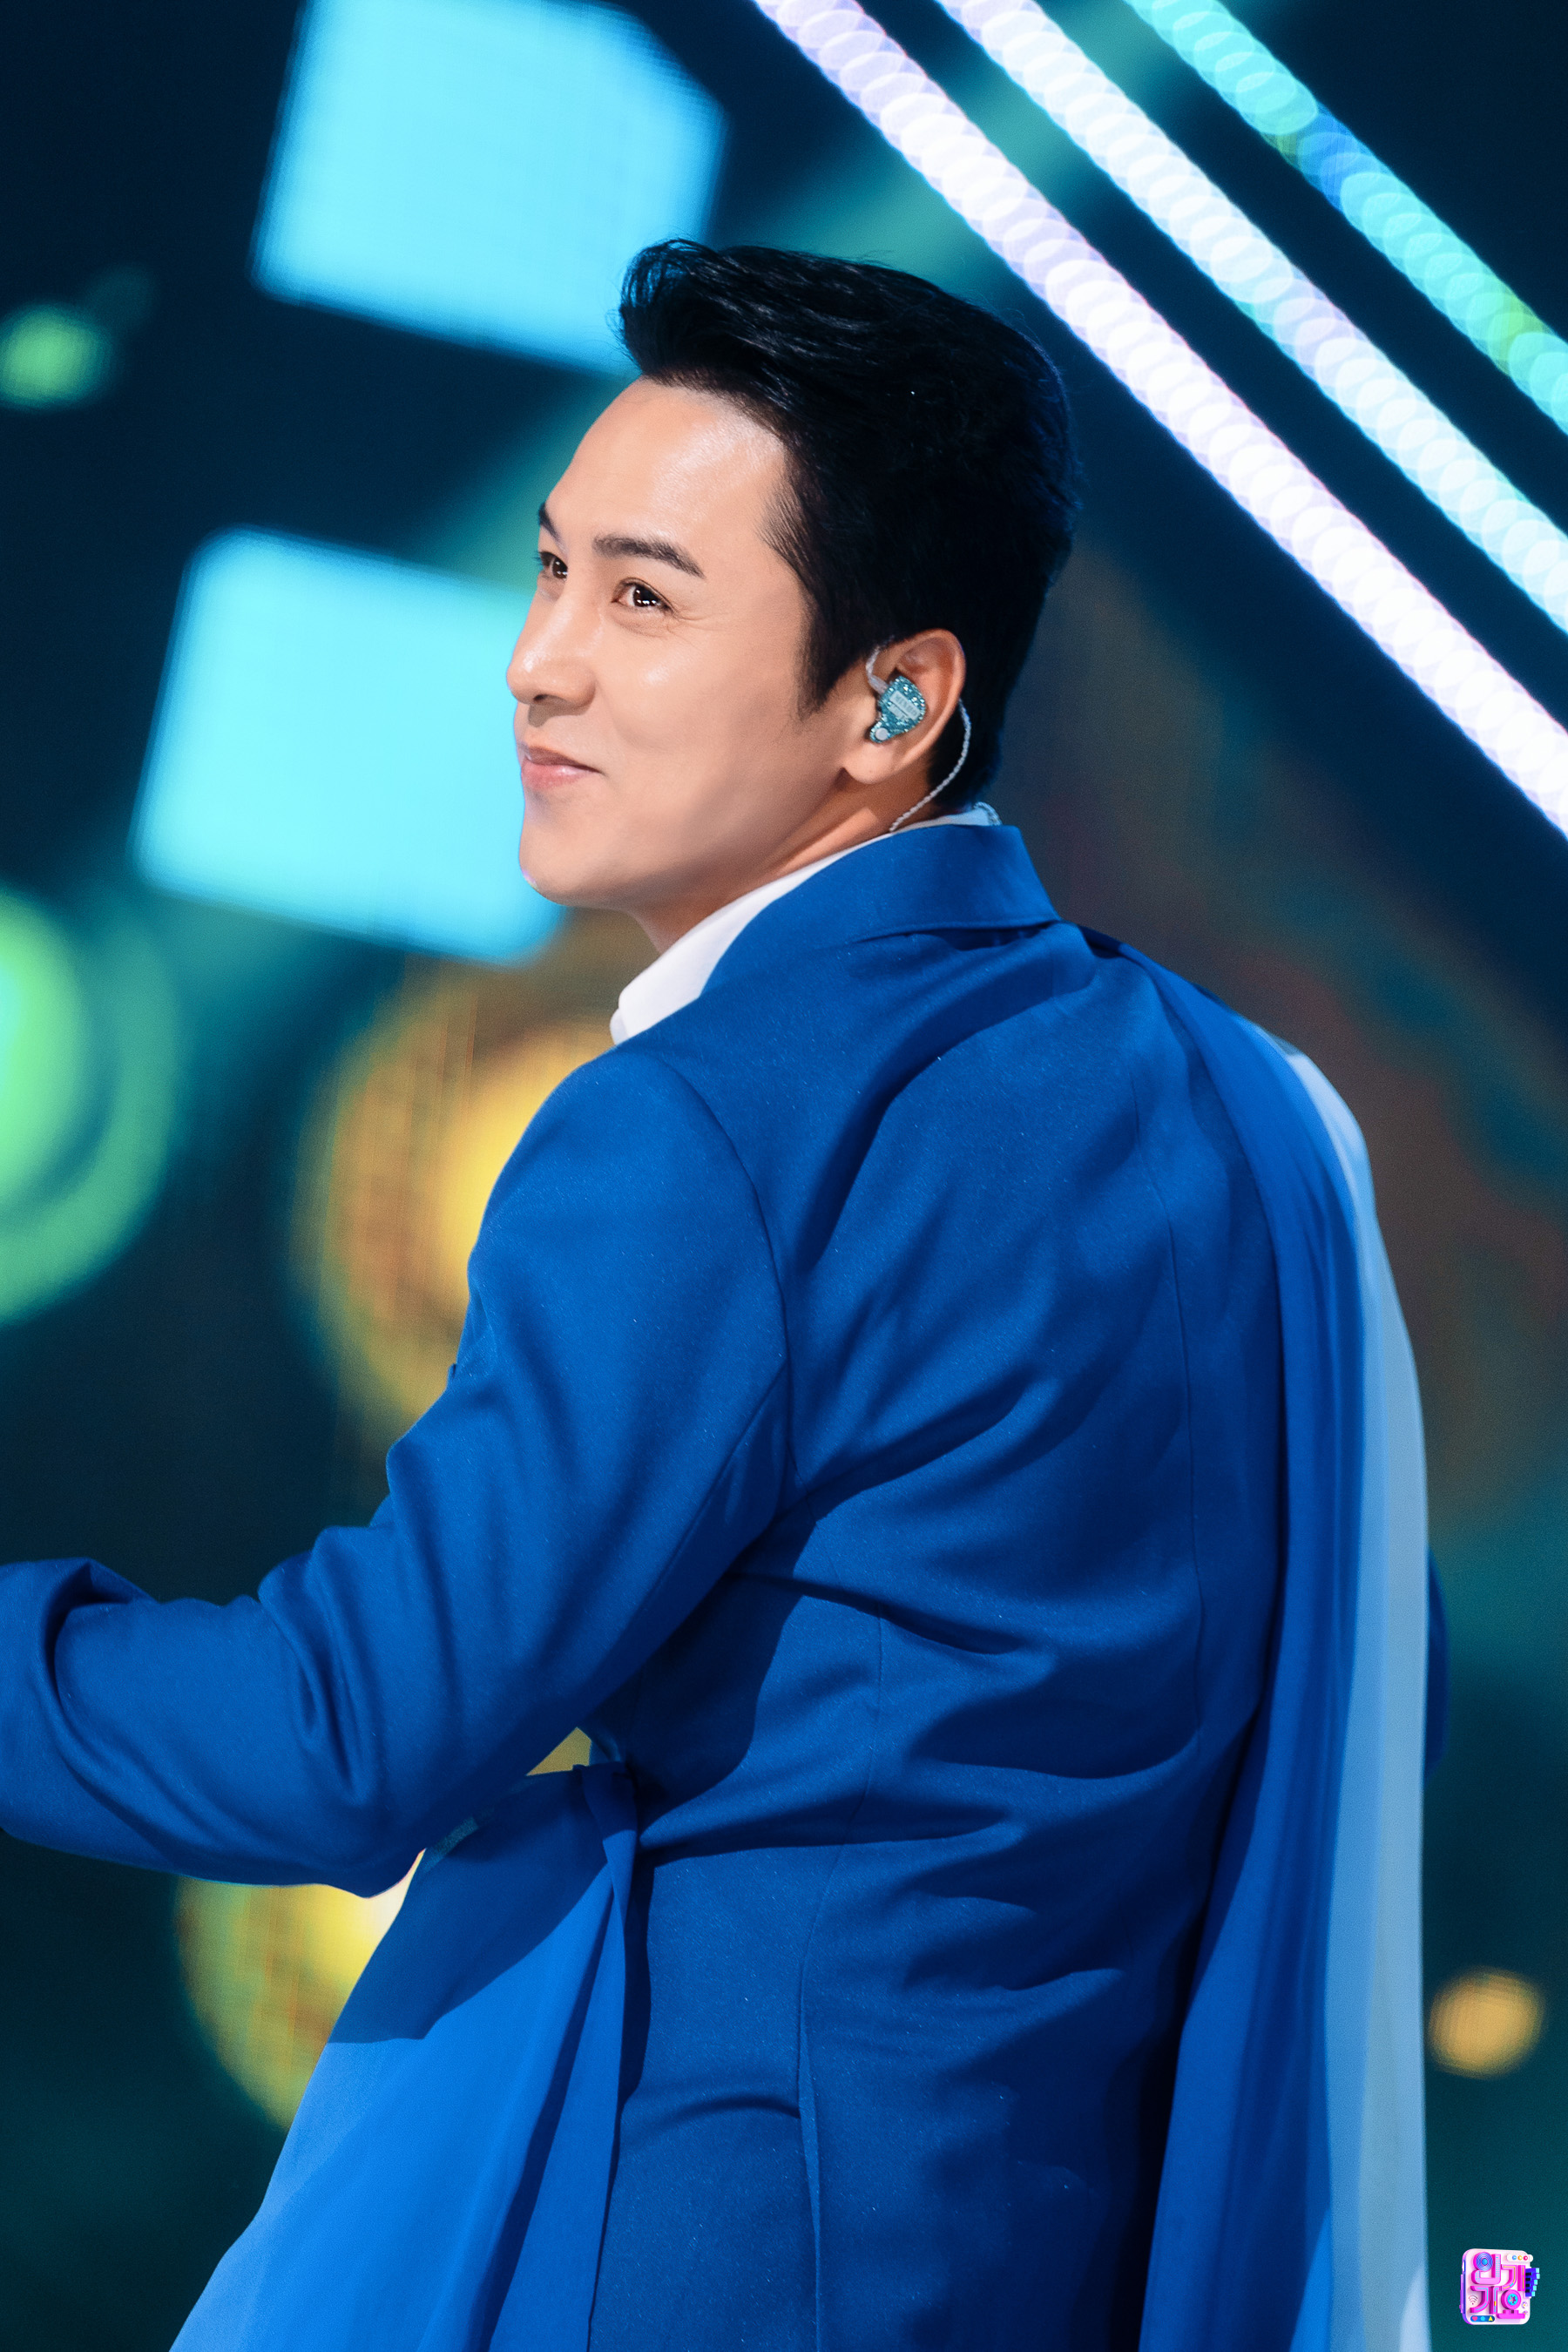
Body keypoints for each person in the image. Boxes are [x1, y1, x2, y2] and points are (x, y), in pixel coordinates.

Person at [0, 243, 1439, 2352]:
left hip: (693, 2261)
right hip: (1069, 2261)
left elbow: (348, 1738)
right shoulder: (1246, 1112)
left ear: (896, 701)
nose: (538, 666)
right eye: (551, 571)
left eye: (645, 600)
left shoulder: (707, 1125)